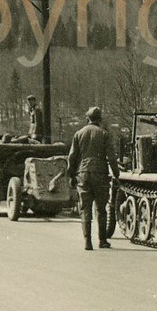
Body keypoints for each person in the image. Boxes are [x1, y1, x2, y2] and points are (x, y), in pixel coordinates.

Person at [67, 106, 120, 251]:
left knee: (85, 209)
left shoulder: (78, 134)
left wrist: (71, 175)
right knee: (101, 209)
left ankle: (87, 242)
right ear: (100, 119)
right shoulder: (104, 134)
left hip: (83, 174)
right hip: (100, 175)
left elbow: (72, 157)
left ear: (87, 118)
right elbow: (111, 157)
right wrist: (116, 174)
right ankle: (102, 240)